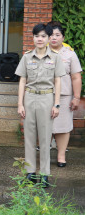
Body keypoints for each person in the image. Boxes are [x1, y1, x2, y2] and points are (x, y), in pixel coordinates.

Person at [15, 23, 65, 188]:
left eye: (43, 36)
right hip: (29, 98)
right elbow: (22, 80)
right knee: (29, 137)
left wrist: (56, 104)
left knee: (45, 138)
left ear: (49, 38)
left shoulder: (56, 57)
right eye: (37, 36)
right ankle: (30, 173)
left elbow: (58, 81)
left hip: (46, 99)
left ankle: (44, 174)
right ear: (33, 38)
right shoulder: (27, 57)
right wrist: (20, 104)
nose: (40, 39)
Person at [48, 21, 82, 167]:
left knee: (62, 127)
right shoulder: (40, 52)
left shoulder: (70, 54)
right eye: (51, 35)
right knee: (43, 127)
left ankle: (61, 156)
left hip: (64, 97)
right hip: (43, 95)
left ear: (63, 37)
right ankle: (44, 155)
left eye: (57, 35)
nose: (54, 38)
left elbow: (76, 77)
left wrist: (76, 97)